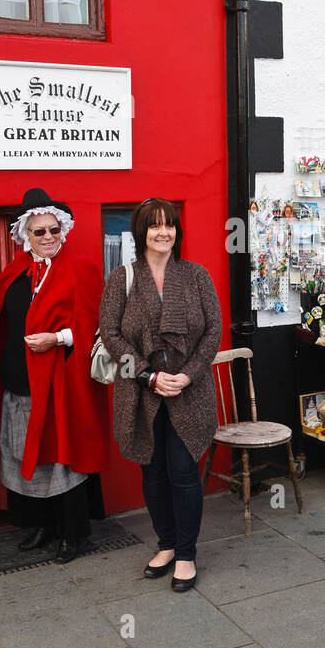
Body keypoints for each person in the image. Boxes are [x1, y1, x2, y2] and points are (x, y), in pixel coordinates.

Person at [0, 189, 110, 563]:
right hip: (20, 383)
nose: (48, 237)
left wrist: (59, 338)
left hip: (62, 385)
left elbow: (95, 325)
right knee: (25, 459)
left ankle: (73, 535)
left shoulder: (81, 269)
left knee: (62, 460)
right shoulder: (17, 270)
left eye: (53, 230)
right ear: (25, 236)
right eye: (39, 232)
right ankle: (44, 526)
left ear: (63, 230)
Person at [99, 198, 221, 592]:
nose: (163, 232)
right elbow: (110, 335)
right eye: (154, 226)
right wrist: (150, 377)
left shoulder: (196, 275)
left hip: (190, 392)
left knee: (184, 472)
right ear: (142, 232)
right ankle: (166, 543)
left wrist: (186, 375)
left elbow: (213, 332)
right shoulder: (122, 278)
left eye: (169, 225)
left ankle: (186, 553)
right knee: (152, 472)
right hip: (142, 392)